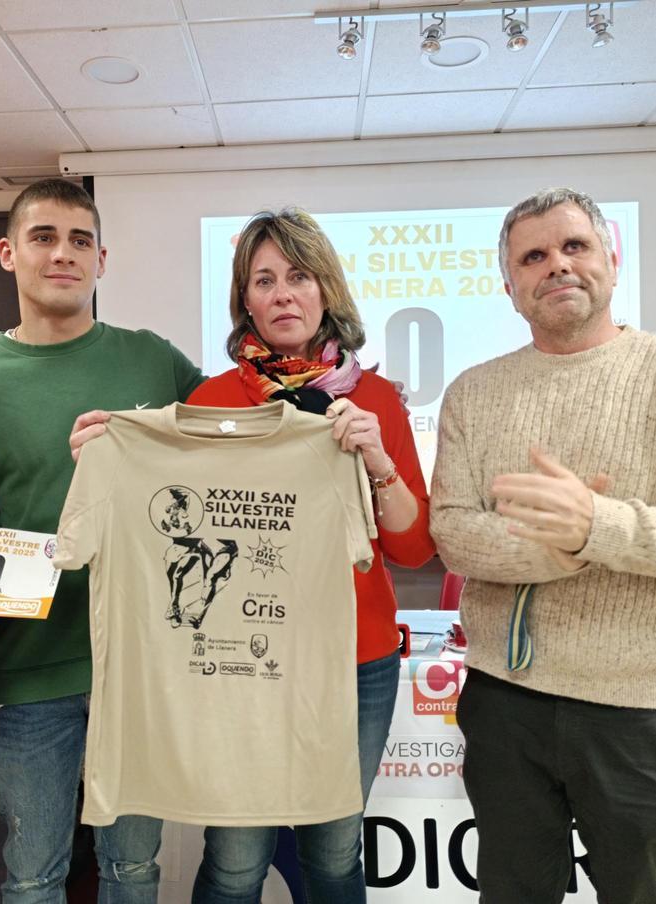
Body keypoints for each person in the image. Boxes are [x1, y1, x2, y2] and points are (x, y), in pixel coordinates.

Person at [430, 188, 656, 903]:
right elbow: (454, 534)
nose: (557, 264)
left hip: (636, 708)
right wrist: (560, 549)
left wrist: (596, 525)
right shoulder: (472, 392)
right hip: (503, 703)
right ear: (510, 286)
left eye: (574, 245)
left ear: (612, 260)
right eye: (533, 256)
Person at [0, 178, 204, 903]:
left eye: (80, 240)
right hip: (26, 670)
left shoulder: (154, 360)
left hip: (139, 664)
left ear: (101, 260)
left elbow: (228, 450)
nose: (63, 254)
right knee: (32, 877)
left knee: (134, 869)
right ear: (8, 253)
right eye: (44, 238)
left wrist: (331, 405)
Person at [182, 208, 435, 903]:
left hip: (356, 658)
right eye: (264, 281)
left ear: (326, 289)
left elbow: (413, 548)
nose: (283, 294)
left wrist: (379, 460)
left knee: (333, 853)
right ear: (246, 301)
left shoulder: (376, 400)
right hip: (243, 660)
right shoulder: (211, 401)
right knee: (236, 860)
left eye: (298, 276)